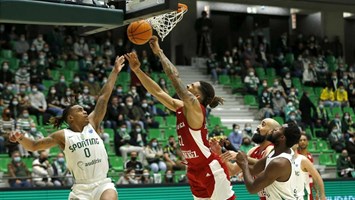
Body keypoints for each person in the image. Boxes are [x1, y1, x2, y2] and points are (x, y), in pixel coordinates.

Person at [125, 36, 235, 200]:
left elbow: (174, 77)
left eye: (191, 86)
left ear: (197, 96)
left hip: (210, 168)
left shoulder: (196, 108)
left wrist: (159, 53)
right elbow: (158, 92)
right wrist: (137, 71)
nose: (187, 87)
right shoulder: (182, 107)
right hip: (193, 170)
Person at [9, 55, 125, 200]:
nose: (85, 111)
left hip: (102, 184)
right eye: (80, 110)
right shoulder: (62, 135)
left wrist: (114, 71)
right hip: (81, 189)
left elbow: (103, 98)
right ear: (71, 118)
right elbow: (33, 146)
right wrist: (20, 137)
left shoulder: (93, 123)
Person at [233, 122, 302, 199]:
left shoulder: (280, 162)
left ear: (282, 137)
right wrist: (236, 156)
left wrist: (244, 164)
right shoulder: (276, 152)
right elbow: (253, 170)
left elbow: (252, 188)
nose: (273, 130)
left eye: (278, 129)